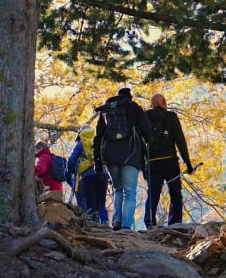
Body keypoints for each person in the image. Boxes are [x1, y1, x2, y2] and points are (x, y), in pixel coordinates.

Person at [93, 87, 152, 231]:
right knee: (130, 192)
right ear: (129, 97)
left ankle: (116, 221)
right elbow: (147, 132)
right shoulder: (134, 108)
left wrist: (98, 161)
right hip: (131, 154)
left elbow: (98, 136)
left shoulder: (106, 110)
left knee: (118, 189)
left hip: (110, 155)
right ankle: (126, 225)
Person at [144, 93, 194, 227]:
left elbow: (140, 142)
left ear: (152, 104)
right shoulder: (171, 116)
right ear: (163, 102)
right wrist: (187, 162)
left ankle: (149, 223)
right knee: (175, 193)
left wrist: (143, 163)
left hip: (152, 162)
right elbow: (180, 139)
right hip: (170, 161)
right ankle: (175, 223)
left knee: (153, 194)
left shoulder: (145, 117)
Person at [66, 125, 110, 225]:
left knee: (90, 200)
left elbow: (71, 160)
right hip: (103, 173)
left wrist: (69, 171)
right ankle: (104, 220)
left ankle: (92, 221)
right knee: (101, 200)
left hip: (87, 175)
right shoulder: (98, 140)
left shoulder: (80, 143)